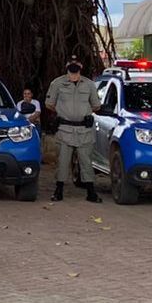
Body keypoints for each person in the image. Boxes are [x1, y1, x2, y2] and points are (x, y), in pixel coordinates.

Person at [45, 57, 102, 203]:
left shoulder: (89, 84)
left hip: (84, 130)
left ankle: (91, 192)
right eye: (71, 64)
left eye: (76, 64)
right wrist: (65, 113)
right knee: (62, 161)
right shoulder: (57, 83)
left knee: (86, 162)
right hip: (65, 129)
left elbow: (96, 105)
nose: (74, 67)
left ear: (81, 66)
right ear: (67, 66)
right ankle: (58, 191)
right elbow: (50, 104)